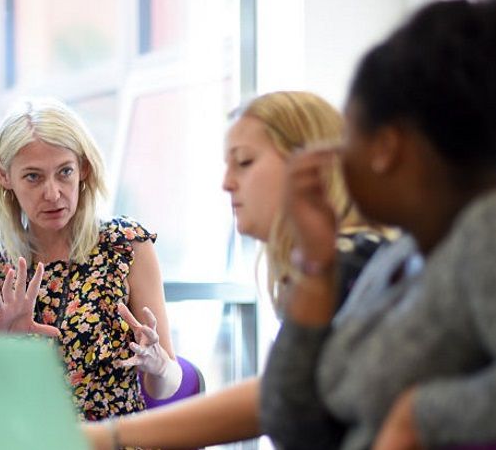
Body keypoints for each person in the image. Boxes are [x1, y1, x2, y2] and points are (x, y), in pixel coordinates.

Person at [261, 0, 496, 450]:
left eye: (347, 135)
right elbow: (296, 427)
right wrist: (315, 267)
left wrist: (418, 416)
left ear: (385, 148)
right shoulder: (406, 255)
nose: (335, 158)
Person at [82, 91, 391, 449]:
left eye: (244, 162)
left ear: (312, 167)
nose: (227, 182)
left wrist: (108, 436)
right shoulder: (336, 263)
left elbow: (274, 397)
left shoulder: (352, 264)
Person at [0, 97, 182, 422]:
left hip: (109, 443)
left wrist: (158, 364)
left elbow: (168, 383)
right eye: (33, 177)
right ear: (4, 174)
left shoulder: (126, 247)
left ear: (83, 168)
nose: (53, 193)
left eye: (65, 172)